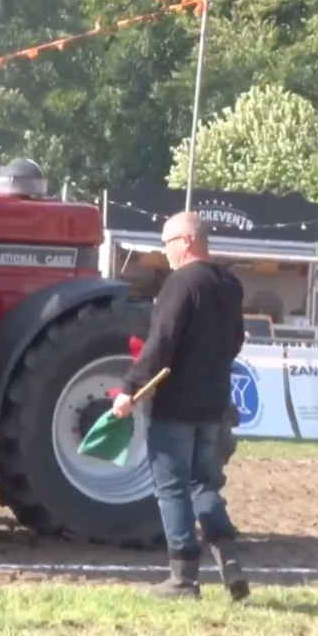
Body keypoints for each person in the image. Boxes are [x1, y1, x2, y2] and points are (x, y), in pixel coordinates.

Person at [110, 211, 250, 601]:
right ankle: (230, 560)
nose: (165, 251)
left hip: (175, 406)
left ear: (186, 241)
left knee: (171, 490)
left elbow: (161, 344)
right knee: (204, 485)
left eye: (168, 243)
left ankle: (183, 579)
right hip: (214, 404)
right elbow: (236, 340)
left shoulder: (181, 283)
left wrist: (129, 388)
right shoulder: (228, 284)